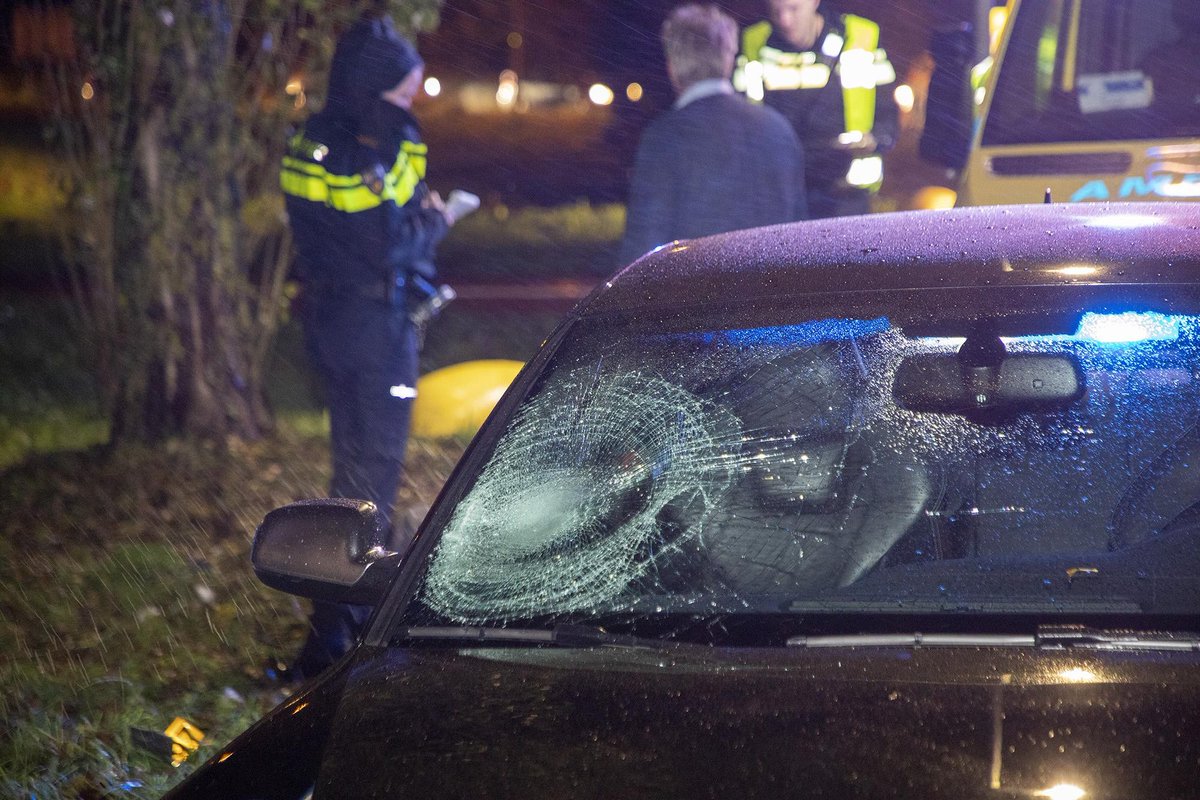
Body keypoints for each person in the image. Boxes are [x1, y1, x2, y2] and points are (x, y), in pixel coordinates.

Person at [279, 13, 457, 680]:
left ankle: (328, 625)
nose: (411, 103)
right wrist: (436, 220)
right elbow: (389, 242)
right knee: (374, 479)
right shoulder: (387, 140)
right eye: (407, 91)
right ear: (383, 85)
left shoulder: (309, 138)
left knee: (345, 472)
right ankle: (342, 639)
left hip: (325, 323)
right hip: (376, 327)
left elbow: (333, 230)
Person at [619, 3, 807, 266]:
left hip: (695, 302)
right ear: (728, 59)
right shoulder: (778, 131)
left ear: (672, 66)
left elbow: (642, 252)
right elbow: (799, 237)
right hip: (769, 300)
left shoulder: (663, 139)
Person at [736, 0, 898, 218]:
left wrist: (874, 140)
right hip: (783, 195)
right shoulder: (755, 44)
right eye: (776, 11)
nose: (785, 20)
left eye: (793, 9)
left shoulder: (861, 38)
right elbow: (737, 120)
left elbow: (889, 119)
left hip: (846, 197)